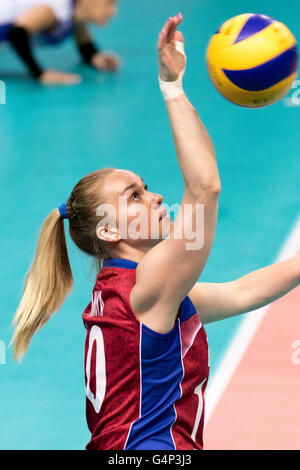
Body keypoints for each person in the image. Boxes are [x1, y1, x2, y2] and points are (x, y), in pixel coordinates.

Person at [10, 14, 300, 450]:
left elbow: (241, 293)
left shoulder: (141, 291)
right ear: (109, 230)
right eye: (135, 196)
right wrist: (172, 87)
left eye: (145, 187)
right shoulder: (146, 290)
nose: (157, 197)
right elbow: (205, 188)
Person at [0, 0, 119, 85]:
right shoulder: (53, 9)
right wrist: (40, 74)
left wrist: (94, 57)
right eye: (109, 3)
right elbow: (17, 34)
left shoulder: (74, 14)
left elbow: (80, 31)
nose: (114, 12)